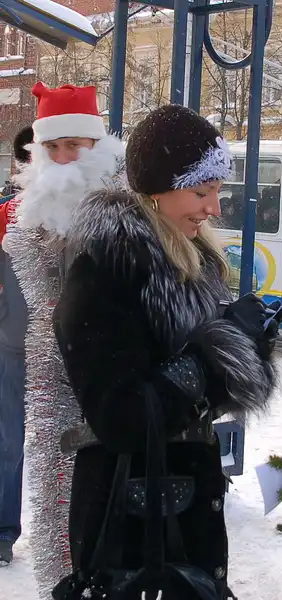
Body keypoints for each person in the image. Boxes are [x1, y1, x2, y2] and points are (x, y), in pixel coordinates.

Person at [51, 105, 282, 598]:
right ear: (157, 190)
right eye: (202, 192)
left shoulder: (192, 259)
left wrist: (248, 346)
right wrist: (214, 351)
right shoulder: (106, 269)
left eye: (218, 191)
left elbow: (203, 399)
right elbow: (120, 417)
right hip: (131, 529)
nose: (214, 207)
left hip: (183, 513)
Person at [1, 82, 126, 590]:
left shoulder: (125, 212)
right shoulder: (22, 215)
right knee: (20, 450)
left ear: (98, 145)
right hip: (27, 354)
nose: (63, 158)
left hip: (106, 365)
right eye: (52, 147)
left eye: (74, 145)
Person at [0, 125, 34, 566]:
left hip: (69, 349)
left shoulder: (83, 213)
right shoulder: (6, 215)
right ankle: (4, 529)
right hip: (12, 345)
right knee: (8, 440)